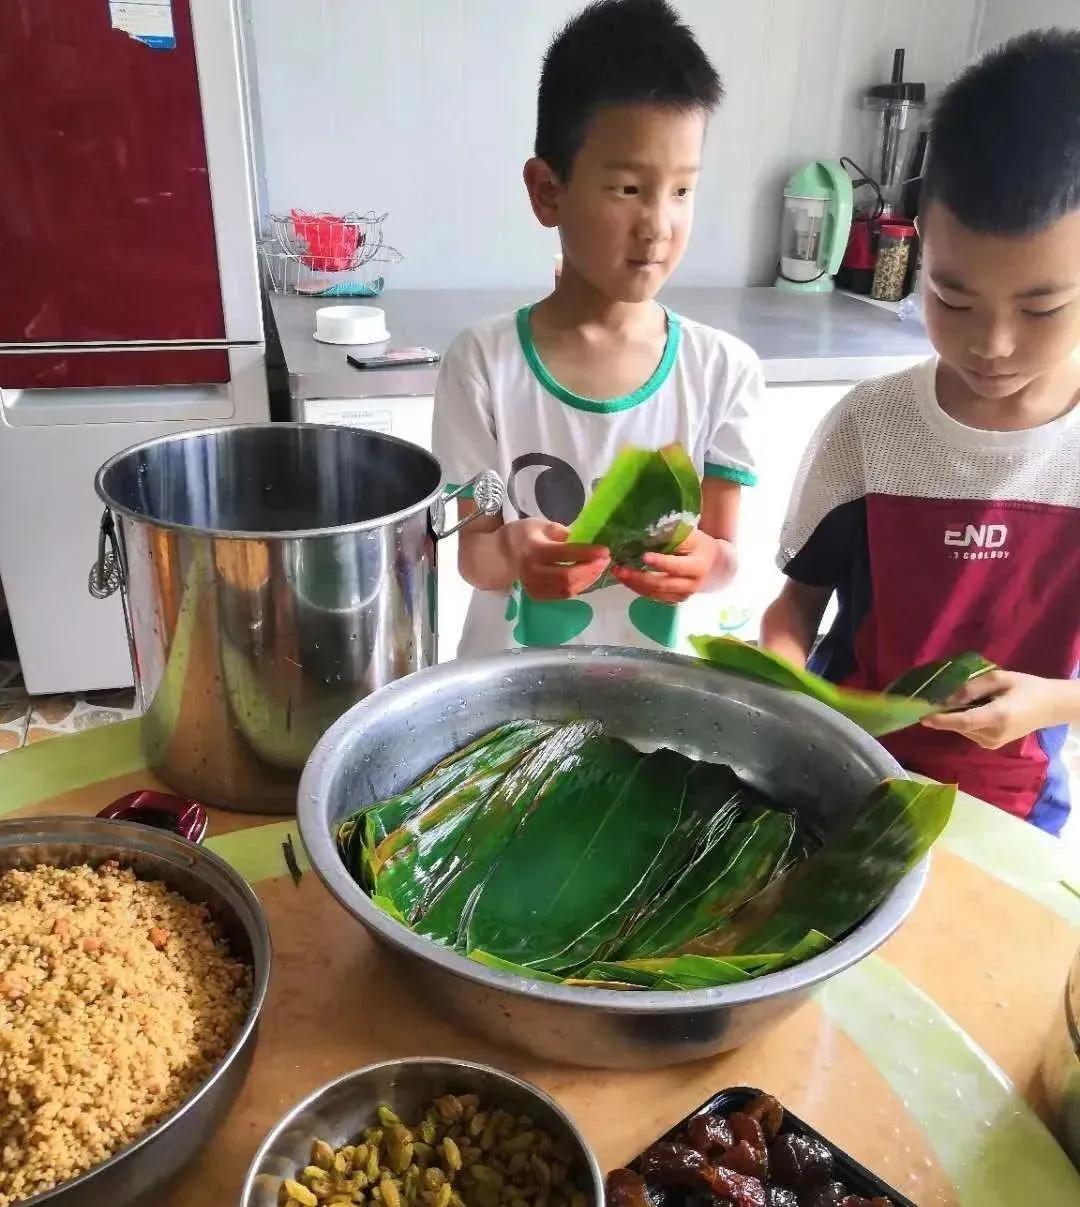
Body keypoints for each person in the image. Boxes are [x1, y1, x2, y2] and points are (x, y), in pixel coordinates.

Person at [761, 30, 1080, 835]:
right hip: (844, 782)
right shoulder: (870, 428)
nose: (993, 344)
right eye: (952, 297)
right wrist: (783, 675)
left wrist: (1054, 698)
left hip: (1018, 808)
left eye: (1042, 308)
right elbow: (793, 610)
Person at [433, 0, 761, 655]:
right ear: (547, 192)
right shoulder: (482, 363)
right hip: (511, 703)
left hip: (651, 710)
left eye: (682, 191)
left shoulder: (723, 371)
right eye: (629, 190)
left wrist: (704, 564)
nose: (658, 225)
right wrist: (512, 550)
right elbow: (475, 553)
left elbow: (725, 555)